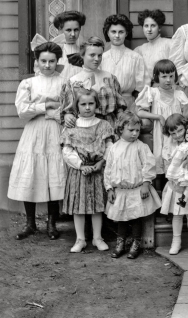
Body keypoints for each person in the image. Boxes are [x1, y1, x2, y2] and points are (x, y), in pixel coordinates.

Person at [8, 40, 67, 241]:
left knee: (53, 173)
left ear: (57, 61)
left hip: (55, 131)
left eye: (52, 61)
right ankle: (30, 223)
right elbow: (23, 111)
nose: (48, 65)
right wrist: (47, 105)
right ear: (37, 61)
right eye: (44, 61)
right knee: (31, 172)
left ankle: (52, 223)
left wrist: (42, 106)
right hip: (33, 133)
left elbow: (66, 110)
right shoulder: (29, 84)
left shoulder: (64, 83)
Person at [60, 88, 114, 253]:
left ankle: (97, 238)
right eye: (83, 104)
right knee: (79, 207)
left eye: (91, 103)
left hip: (98, 170)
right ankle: (80, 239)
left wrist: (102, 162)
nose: (88, 107)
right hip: (79, 172)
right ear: (77, 106)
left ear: (96, 105)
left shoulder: (103, 125)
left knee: (97, 206)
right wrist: (81, 165)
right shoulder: (72, 126)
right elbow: (67, 151)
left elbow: (110, 147)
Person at [104, 112, 161, 259]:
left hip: (136, 189)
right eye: (131, 130)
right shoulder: (113, 149)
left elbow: (149, 165)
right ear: (121, 128)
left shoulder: (141, 147)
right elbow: (108, 170)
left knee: (136, 218)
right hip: (121, 191)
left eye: (137, 130)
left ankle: (136, 243)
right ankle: (120, 243)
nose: (135, 133)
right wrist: (109, 188)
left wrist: (146, 184)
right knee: (121, 218)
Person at [160, 114, 188, 256]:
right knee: (177, 215)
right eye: (173, 133)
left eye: (180, 131)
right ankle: (176, 241)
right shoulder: (170, 146)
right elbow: (168, 164)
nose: (177, 135)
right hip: (176, 185)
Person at [135, 60, 188, 174]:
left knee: (176, 159)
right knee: (160, 157)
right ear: (157, 77)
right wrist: (157, 116)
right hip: (159, 132)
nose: (168, 80)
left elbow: (186, 116)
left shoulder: (179, 94)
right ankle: (160, 186)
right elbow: (140, 112)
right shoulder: (153, 93)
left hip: (176, 134)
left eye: (171, 76)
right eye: (164, 76)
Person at [61, 37, 127, 130]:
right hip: (84, 127)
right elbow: (68, 111)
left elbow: (119, 108)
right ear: (82, 55)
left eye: (99, 55)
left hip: (108, 126)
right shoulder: (73, 81)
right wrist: (67, 116)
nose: (96, 59)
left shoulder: (110, 78)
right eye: (92, 55)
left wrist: (121, 118)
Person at [99, 14, 147, 112]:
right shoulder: (102, 58)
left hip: (129, 104)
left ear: (126, 33)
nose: (117, 35)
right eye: (113, 32)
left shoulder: (135, 57)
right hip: (106, 104)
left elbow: (141, 86)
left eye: (121, 32)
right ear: (107, 33)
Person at [134, 9, 173, 86]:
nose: (149, 29)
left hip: (165, 88)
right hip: (146, 90)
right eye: (146, 26)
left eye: (153, 25)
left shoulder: (169, 44)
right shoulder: (139, 50)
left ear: (159, 27)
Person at [52, 11, 86, 79]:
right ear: (60, 30)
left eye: (76, 30)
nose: (73, 34)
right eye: (68, 30)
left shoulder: (85, 51)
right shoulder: (53, 52)